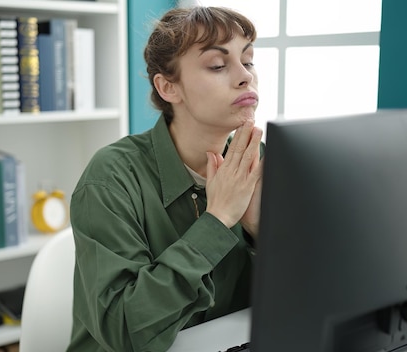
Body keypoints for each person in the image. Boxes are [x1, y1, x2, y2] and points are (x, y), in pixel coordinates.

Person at [67, 6, 263, 351]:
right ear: (169, 87)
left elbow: (302, 300)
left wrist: (262, 234)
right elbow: (125, 331)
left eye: (247, 61)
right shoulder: (110, 177)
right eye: (218, 65)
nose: (245, 76)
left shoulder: (257, 162)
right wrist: (218, 221)